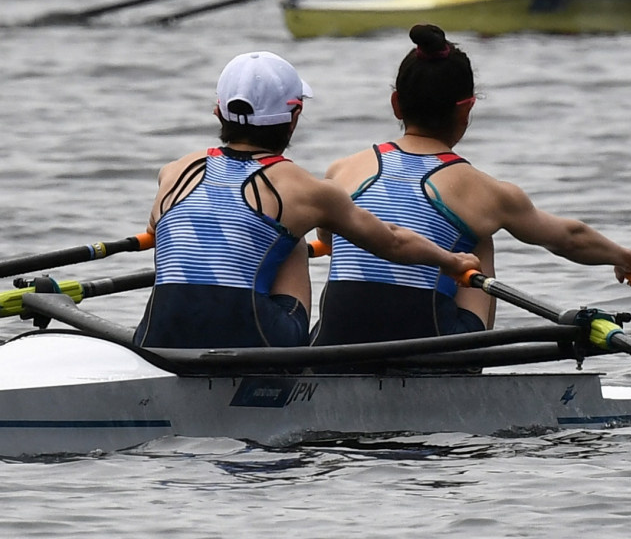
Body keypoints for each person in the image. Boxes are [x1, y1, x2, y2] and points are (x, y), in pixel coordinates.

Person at [311, 24, 631, 346]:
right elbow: (569, 238)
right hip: (429, 344)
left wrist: (327, 244)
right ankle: (464, 369)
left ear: (396, 104)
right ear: (467, 108)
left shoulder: (343, 170)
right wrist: (627, 258)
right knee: (478, 237)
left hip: (334, 342)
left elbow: (326, 237)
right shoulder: (485, 192)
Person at [134, 51, 481, 350]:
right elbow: (392, 242)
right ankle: (294, 375)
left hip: (154, 336)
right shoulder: (310, 191)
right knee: (293, 241)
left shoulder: (173, 172)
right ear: (295, 115)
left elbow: (156, 232)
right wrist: (451, 261)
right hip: (252, 339)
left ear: (217, 112)